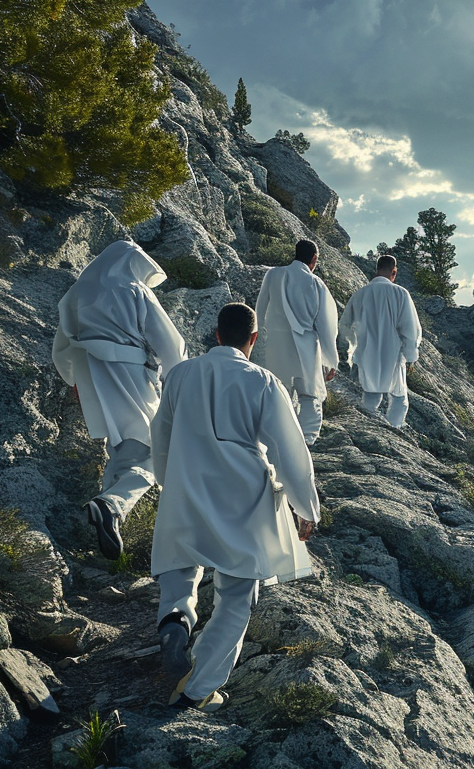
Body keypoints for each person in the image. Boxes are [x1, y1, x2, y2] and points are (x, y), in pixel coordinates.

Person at [150, 303, 319, 712]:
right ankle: (198, 689)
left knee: (181, 560)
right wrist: (306, 506)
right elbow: (287, 450)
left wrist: (167, 480)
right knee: (237, 593)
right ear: (253, 339)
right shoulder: (262, 381)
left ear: (217, 335)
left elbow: (161, 432)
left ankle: (175, 618)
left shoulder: (181, 374)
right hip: (242, 493)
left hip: (187, 483)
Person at [53, 240, 186, 560]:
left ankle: (101, 533)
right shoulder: (135, 291)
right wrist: (178, 381)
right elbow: (171, 345)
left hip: (90, 375)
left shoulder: (80, 291)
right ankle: (111, 505)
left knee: (124, 449)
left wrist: (75, 381)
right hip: (131, 375)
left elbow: (63, 342)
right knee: (156, 454)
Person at [255, 239, 339, 446]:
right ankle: (308, 439)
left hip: (276, 341)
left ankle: (280, 435)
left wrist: (257, 338)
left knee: (280, 389)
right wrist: (331, 360)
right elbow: (326, 325)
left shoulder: (273, 274)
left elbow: (260, 309)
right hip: (306, 344)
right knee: (309, 392)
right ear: (314, 259)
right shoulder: (316, 283)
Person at [338, 254, 422, 429]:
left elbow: (345, 324)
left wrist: (352, 348)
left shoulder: (361, 294)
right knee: (399, 398)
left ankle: (367, 427)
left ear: (376, 270)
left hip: (367, 352)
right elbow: (410, 327)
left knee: (371, 395)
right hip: (392, 353)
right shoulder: (400, 293)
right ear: (394, 272)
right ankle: (394, 429)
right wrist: (411, 354)